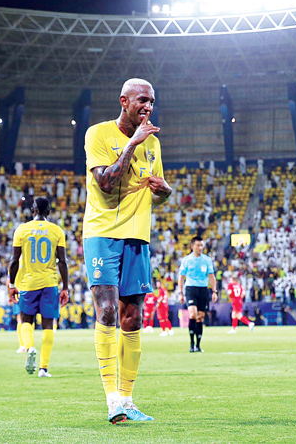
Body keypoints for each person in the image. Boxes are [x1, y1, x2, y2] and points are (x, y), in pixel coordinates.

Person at [83, 78, 172, 423]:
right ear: (124, 101)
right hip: (102, 233)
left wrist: (165, 191)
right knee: (107, 310)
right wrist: (133, 143)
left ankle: (128, 399)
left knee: (133, 318)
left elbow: (154, 191)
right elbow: (106, 183)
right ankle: (112, 400)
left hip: (137, 237)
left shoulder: (154, 144)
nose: (148, 107)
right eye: (143, 100)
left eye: (152, 102)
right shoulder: (98, 134)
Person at [9, 197, 69, 378]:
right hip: (50, 283)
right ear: (49, 212)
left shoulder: (22, 230)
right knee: (48, 324)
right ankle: (43, 368)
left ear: (33, 210)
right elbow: (62, 261)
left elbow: (14, 261)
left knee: (26, 320)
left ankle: (29, 348)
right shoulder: (56, 231)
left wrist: (12, 284)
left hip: (28, 283)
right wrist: (65, 287)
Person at [178, 236, 218, 352]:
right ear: (192, 246)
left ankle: (198, 345)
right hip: (191, 289)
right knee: (192, 315)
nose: (200, 248)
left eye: (201, 245)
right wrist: (180, 293)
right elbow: (181, 277)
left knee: (200, 317)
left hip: (203, 290)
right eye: (198, 245)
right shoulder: (186, 260)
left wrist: (214, 291)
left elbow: (211, 276)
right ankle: (191, 344)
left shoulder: (207, 260)